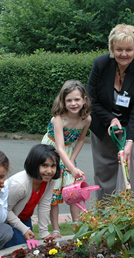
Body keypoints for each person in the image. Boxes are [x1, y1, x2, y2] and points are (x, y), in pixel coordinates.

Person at [87, 23, 134, 202]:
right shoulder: (100, 64)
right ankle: (104, 215)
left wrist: (129, 141)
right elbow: (91, 99)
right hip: (103, 122)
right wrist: (110, 119)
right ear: (112, 48)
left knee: (128, 160)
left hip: (132, 124)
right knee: (104, 169)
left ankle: (125, 210)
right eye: (119, 49)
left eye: (129, 49)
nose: (124, 54)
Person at [42, 80, 91, 232]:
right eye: (68, 100)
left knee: (73, 190)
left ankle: (77, 226)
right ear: (63, 101)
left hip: (68, 153)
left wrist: (71, 162)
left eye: (77, 99)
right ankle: (56, 229)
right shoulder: (59, 119)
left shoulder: (86, 119)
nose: (73, 103)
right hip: (52, 152)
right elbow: (60, 148)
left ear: (84, 100)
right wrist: (72, 167)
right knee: (54, 191)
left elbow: (81, 140)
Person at [4, 144, 61, 248]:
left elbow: (44, 205)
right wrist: (23, 229)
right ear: (34, 164)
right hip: (6, 222)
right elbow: (5, 210)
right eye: (45, 165)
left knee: (31, 248)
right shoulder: (20, 185)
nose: (49, 171)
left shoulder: (49, 180)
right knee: (18, 249)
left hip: (24, 218)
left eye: (53, 166)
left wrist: (44, 233)